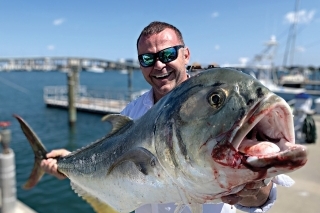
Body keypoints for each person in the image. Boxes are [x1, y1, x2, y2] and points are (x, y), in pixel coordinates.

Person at [41, 21, 292, 213]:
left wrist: (255, 187)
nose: (159, 65)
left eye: (168, 54)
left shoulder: (221, 112)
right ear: (140, 64)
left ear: (186, 54)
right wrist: (68, 164)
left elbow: (263, 196)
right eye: (147, 59)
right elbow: (105, 159)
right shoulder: (132, 112)